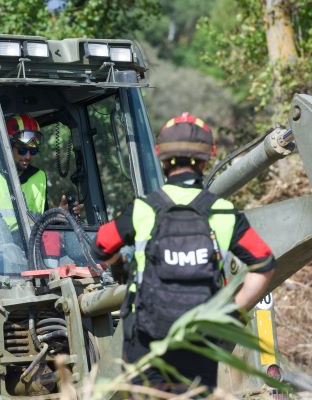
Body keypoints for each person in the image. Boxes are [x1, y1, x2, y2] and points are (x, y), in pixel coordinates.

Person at [92, 112, 276, 390]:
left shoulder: (144, 209)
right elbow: (264, 263)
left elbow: (102, 245)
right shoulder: (223, 211)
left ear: (162, 159)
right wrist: (232, 312)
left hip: (146, 342)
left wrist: (121, 261)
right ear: (206, 159)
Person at [6, 113, 80, 215]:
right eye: (22, 150)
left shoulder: (38, 177)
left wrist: (58, 215)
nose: (28, 156)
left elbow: (41, 221)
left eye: (33, 151)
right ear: (7, 146)